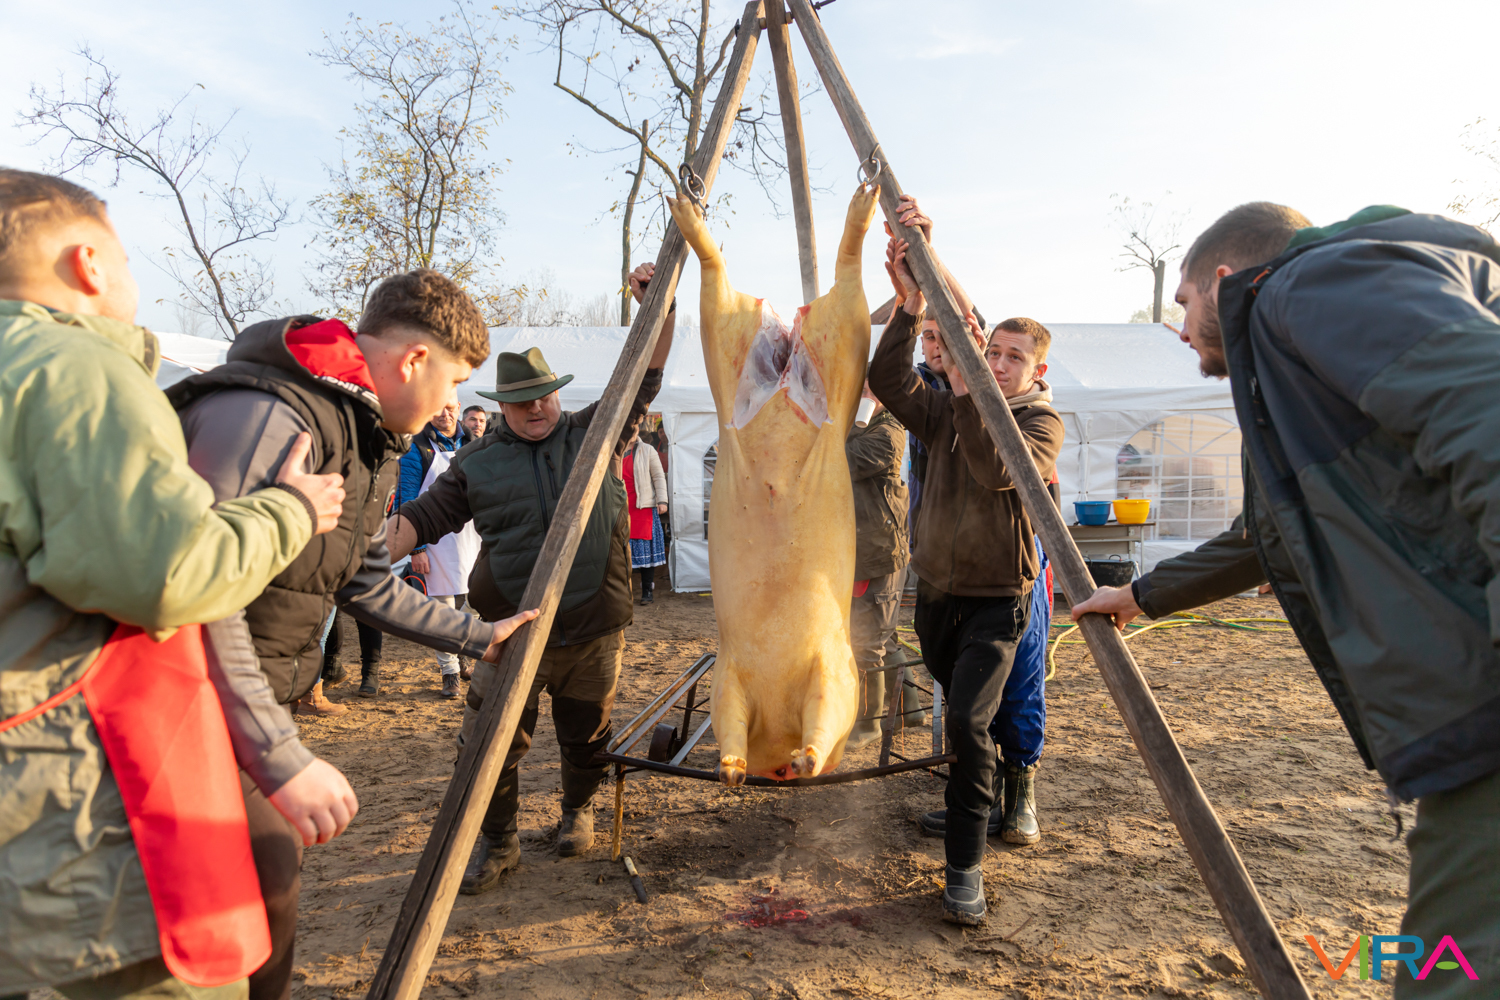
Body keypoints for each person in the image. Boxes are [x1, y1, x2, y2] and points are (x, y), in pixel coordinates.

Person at [1072, 202, 1500, 996]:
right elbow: (1262, 535)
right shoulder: (1295, 361)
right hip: (1465, 720)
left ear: (1223, 280)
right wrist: (1140, 594)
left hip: (1483, 713)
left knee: (1452, 972)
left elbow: (1487, 408)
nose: (1179, 327)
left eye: (1184, 301)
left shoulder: (1315, 286)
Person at [0, 169, 343, 1000]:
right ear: (88, 263)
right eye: (126, 258)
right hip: (82, 820)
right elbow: (168, 571)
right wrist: (291, 511)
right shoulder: (69, 367)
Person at [166, 269, 538, 1000]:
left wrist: (479, 635)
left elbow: (364, 581)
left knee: (266, 896)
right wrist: (277, 753)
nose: (453, 405)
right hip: (181, 714)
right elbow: (193, 592)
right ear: (415, 361)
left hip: (248, 708)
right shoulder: (270, 418)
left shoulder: (361, 438)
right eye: (453, 383)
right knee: (223, 924)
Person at [386, 260, 675, 890]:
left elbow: (645, 381)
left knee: (586, 736)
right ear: (503, 405)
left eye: (544, 394)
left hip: (594, 627)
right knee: (488, 743)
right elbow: (425, 516)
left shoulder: (595, 433)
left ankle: (577, 813)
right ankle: (500, 843)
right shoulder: (477, 461)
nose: (536, 406)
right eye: (521, 399)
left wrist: (662, 308)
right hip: (510, 633)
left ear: (556, 393)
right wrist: (369, 551)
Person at [870, 216, 1064, 927]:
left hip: (998, 601)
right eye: (995, 353)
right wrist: (908, 307)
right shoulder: (946, 407)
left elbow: (992, 466)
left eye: (1014, 358)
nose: (1001, 365)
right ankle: (970, 804)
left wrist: (963, 383)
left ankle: (965, 871)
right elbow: (886, 380)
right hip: (937, 596)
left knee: (974, 721)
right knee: (961, 715)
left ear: (1035, 372)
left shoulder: (1039, 424)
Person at [396, 395, 480, 698]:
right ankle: (449, 671)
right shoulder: (416, 447)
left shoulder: (473, 443)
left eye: (451, 407)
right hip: (433, 536)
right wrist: (416, 548)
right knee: (442, 608)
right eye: (438, 407)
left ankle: (463, 654)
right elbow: (407, 498)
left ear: (459, 407)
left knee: (475, 601)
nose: (445, 413)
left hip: (471, 535)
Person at [844, 382, 911, 750]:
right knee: (884, 634)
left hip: (879, 553)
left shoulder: (887, 433)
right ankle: (908, 710)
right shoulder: (871, 427)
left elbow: (843, 460)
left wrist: (858, 413)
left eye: (871, 389)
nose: (863, 395)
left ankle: (868, 723)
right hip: (870, 548)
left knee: (868, 639)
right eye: (861, 389)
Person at [623, 429, 669, 604]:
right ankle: (623, 594)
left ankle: (647, 591)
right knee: (621, 552)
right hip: (620, 507)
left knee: (645, 553)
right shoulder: (613, 450)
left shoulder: (647, 450)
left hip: (642, 507)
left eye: (634, 427)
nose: (630, 431)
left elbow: (658, 477)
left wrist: (662, 500)